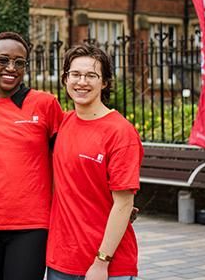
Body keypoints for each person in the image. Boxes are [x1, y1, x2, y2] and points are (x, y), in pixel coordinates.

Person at [0, 31, 64, 280]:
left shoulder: (46, 104)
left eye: (19, 62)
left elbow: (69, 158)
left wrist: (109, 199)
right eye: (3, 60)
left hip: (32, 225)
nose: (11, 68)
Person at [46, 44, 143, 280]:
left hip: (108, 266)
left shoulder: (120, 132)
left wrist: (102, 261)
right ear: (65, 79)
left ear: (105, 82)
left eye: (91, 75)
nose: (82, 82)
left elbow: (123, 204)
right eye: (75, 74)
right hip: (62, 261)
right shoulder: (63, 123)